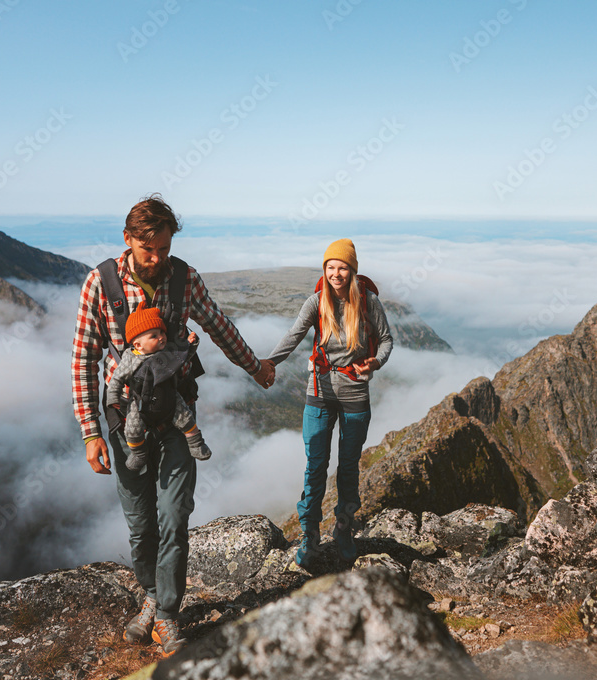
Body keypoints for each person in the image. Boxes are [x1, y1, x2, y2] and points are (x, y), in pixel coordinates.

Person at [70, 194, 275, 655]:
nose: (158, 258)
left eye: (164, 247)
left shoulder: (185, 279)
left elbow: (218, 325)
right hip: (127, 427)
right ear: (128, 240)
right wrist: (90, 432)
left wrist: (255, 367)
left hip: (178, 419)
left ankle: (166, 613)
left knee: (175, 516)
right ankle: (148, 595)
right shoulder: (99, 285)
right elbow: (84, 359)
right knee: (141, 524)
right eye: (149, 250)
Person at [267, 238, 393, 569]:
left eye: (342, 267)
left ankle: (343, 529)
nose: (336, 273)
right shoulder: (316, 301)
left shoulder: (368, 301)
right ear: (325, 270)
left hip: (354, 390)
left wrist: (375, 363)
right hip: (319, 390)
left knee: (349, 467)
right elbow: (293, 336)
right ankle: (310, 535)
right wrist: (267, 363)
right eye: (330, 267)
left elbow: (387, 339)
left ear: (353, 271)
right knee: (315, 466)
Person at [107, 301, 211, 472]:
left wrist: (190, 344)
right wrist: (113, 399)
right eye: (154, 336)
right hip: (140, 401)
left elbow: (183, 359)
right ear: (138, 345)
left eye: (162, 332)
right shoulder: (130, 359)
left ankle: (196, 444)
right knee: (132, 427)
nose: (161, 337)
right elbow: (117, 379)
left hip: (169, 394)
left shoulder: (167, 351)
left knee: (185, 417)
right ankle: (138, 453)